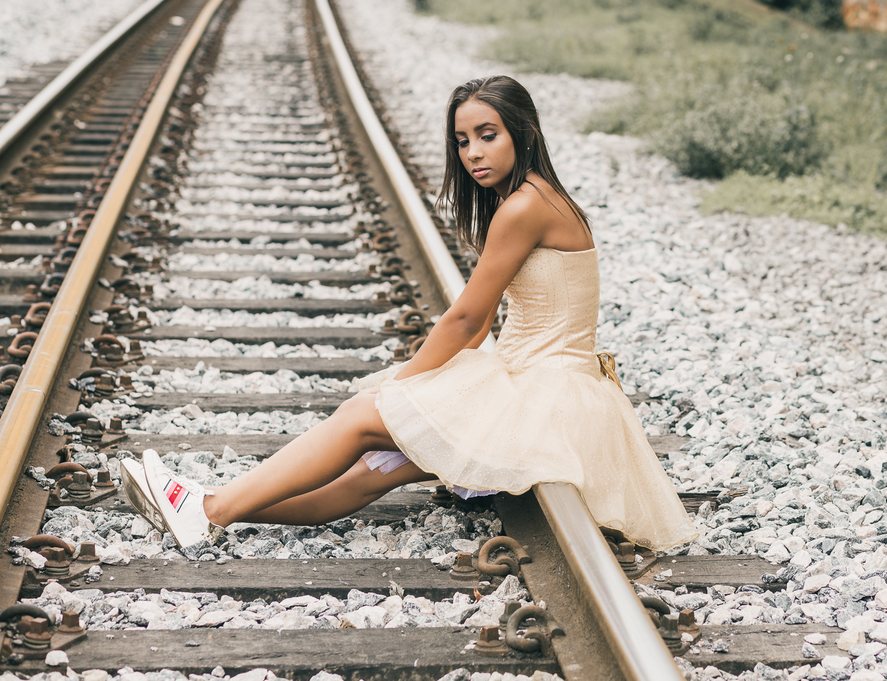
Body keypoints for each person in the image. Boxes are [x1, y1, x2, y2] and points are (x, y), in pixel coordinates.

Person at [121, 75, 698, 558]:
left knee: (364, 416)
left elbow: (468, 320)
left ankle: (206, 508)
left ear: (523, 133)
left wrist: (405, 387)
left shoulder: (524, 207)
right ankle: (210, 508)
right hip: (550, 390)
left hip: (546, 394)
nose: (473, 153)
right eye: (463, 141)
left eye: (487, 136)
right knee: (372, 471)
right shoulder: (537, 199)